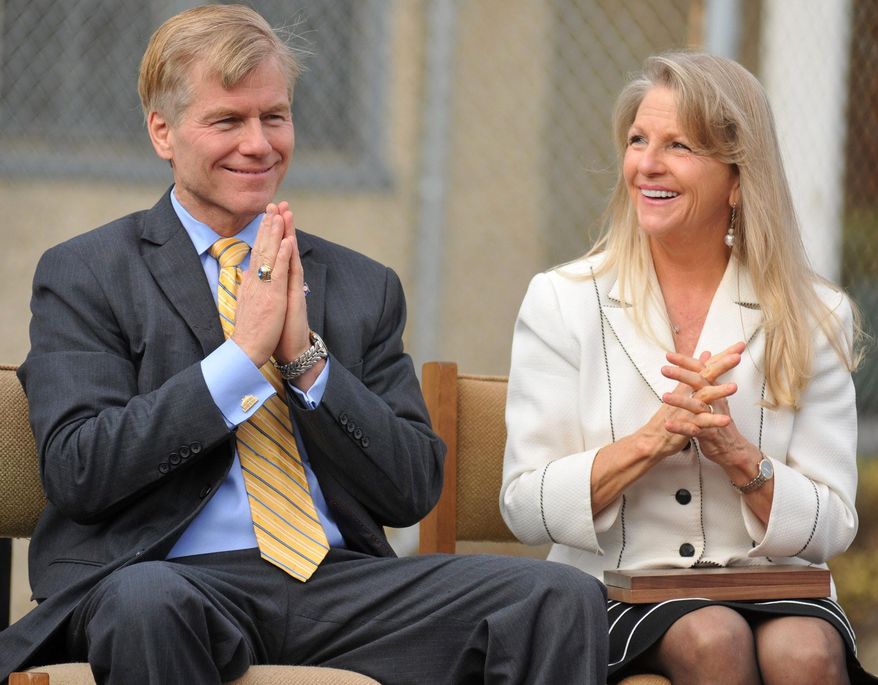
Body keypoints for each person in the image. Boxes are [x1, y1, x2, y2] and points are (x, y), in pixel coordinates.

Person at [0, 5, 609, 684]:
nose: (259, 144)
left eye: (275, 116)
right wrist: (237, 361)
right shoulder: (89, 272)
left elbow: (411, 488)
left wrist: (305, 361)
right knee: (147, 602)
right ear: (163, 132)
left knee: (556, 597)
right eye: (228, 120)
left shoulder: (358, 284)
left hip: (337, 587)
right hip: (167, 579)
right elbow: (80, 469)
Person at [501, 51, 876, 685]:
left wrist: (736, 454)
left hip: (775, 588)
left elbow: (835, 523)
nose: (648, 163)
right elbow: (522, 505)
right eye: (638, 141)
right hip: (617, 594)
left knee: (806, 654)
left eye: (679, 146)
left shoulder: (816, 313)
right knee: (712, 636)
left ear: (737, 178)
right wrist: (651, 442)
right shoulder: (562, 299)